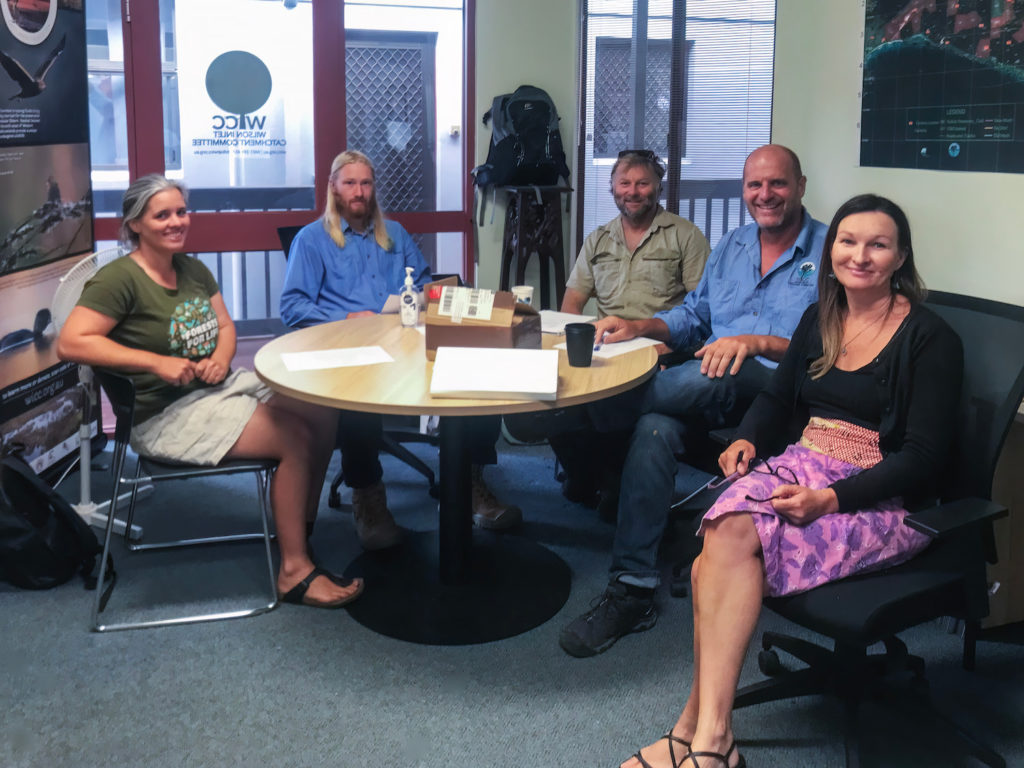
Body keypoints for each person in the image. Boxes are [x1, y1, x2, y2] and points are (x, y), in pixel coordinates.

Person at [616, 194, 963, 768]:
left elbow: (922, 458)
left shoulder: (930, 337)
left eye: (878, 244)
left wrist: (831, 499)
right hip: (805, 462)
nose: (860, 255)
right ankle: (705, 738)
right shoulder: (822, 317)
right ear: (831, 253)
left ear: (900, 257)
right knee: (716, 541)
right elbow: (778, 399)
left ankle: (699, 737)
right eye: (848, 242)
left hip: (878, 495)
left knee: (718, 550)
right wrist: (747, 439)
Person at [559, 144, 828, 657]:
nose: (765, 195)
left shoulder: (828, 251)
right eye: (755, 185)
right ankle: (632, 588)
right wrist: (638, 326)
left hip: (782, 397)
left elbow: (839, 346)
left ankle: (584, 411)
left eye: (777, 184)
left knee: (719, 370)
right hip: (713, 386)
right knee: (654, 429)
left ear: (800, 186)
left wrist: (759, 343)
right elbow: (693, 318)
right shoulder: (732, 246)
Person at [57, 175, 361, 610]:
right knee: (293, 438)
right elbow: (70, 342)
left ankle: (299, 529)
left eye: (181, 211)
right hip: (164, 416)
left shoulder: (192, 269)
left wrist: (221, 355)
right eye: (162, 215)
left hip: (214, 388)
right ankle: (294, 571)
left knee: (321, 405)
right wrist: (155, 362)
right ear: (135, 225)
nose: (176, 222)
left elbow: (224, 325)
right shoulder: (119, 280)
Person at [280, 150, 521, 548]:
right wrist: (347, 318)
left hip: (405, 340)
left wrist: (438, 296)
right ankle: (368, 497)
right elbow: (293, 307)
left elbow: (425, 285)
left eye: (366, 183)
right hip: (350, 347)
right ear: (333, 188)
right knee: (357, 400)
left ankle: (466, 484)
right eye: (350, 183)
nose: (359, 192)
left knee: (480, 378)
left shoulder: (395, 234)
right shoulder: (312, 240)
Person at [550, 149, 709, 510]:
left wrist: (670, 347)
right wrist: (573, 343)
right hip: (604, 347)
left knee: (618, 404)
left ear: (658, 187)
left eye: (642, 183)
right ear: (612, 188)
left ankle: (613, 483)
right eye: (625, 183)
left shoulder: (684, 236)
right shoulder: (598, 240)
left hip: (660, 348)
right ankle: (591, 476)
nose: (633, 191)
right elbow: (571, 304)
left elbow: (704, 307)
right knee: (552, 403)